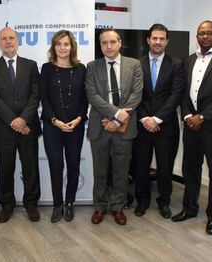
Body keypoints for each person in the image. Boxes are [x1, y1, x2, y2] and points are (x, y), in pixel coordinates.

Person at [172, 21, 212, 235]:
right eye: (201, 33)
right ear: (197, 37)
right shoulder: (189, 60)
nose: (205, 36)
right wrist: (189, 116)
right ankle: (190, 209)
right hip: (191, 125)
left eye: (210, 33)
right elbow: (183, 93)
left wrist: (203, 116)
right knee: (191, 169)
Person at [85, 29, 143, 226]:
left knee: (121, 170)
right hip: (99, 127)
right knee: (100, 170)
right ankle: (100, 207)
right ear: (100, 46)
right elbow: (92, 95)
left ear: (120, 43)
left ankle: (118, 207)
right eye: (104, 43)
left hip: (124, 128)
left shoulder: (134, 65)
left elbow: (136, 95)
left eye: (112, 42)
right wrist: (115, 114)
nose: (108, 46)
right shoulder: (92, 66)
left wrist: (117, 121)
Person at [0, 27, 41, 223]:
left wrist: (23, 119)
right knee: (5, 169)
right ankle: (7, 205)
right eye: (4, 39)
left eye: (11, 38)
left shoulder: (31, 65)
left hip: (28, 126)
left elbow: (36, 95)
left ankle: (31, 204)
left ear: (17, 41)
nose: (8, 41)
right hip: (3, 129)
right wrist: (14, 121)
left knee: (31, 168)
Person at [133, 24, 184, 219]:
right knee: (141, 166)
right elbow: (136, 94)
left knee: (164, 167)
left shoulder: (177, 64)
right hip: (143, 124)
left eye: (162, 39)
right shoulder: (137, 64)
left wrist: (157, 118)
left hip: (166, 125)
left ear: (167, 41)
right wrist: (146, 118)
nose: (157, 42)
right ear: (148, 40)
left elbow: (175, 95)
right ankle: (142, 201)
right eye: (154, 38)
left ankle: (164, 202)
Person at [40, 30, 88, 223]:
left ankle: (70, 203)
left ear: (72, 47)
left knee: (73, 165)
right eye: (59, 44)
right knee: (56, 166)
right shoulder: (46, 68)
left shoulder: (81, 69)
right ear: (54, 47)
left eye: (66, 44)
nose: (62, 47)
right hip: (53, 127)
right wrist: (55, 121)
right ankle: (57, 204)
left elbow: (86, 99)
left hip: (75, 126)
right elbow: (44, 98)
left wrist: (78, 119)